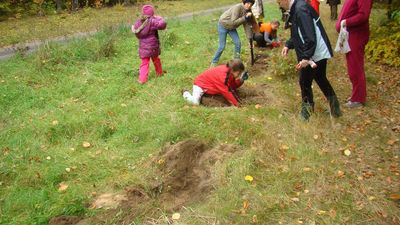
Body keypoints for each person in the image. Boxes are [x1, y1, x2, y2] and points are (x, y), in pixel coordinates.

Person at [280, 0, 342, 120]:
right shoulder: (297, 8)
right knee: (321, 79)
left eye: (279, 2)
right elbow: (298, 34)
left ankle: (307, 111)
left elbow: (309, 36)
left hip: (314, 53)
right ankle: (336, 109)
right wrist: (288, 44)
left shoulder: (301, 10)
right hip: (315, 52)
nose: (279, 4)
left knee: (304, 81)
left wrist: (305, 57)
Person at [336, 0, 373, 108]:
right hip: (350, 34)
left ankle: (358, 99)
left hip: (356, 34)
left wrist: (346, 22)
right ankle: (356, 95)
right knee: (352, 67)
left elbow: (363, 15)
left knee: (355, 67)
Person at [183, 59, 248, 107]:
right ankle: (185, 93)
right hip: (200, 85)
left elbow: (232, 86)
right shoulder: (222, 75)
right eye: (239, 73)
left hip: (210, 88)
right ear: (233, 70)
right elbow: (226, 91)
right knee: (195, 103)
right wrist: (236, 104)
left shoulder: (230, 72)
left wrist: (241, 81)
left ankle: (205, 95)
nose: (239, 75)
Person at [211, 0, 255, 67]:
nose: (249, 5)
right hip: (223, 25)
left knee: (238, 43)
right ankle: (214, 62)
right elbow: (233, 21)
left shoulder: (248, 12)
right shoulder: (238, 7)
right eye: (248, 3)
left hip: (231, 28)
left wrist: (250, 40)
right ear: (244, 2)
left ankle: (236, 61)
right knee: (221, 46)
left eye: (251, 4)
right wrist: (245, 17)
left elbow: (247, 27)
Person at [132, 5, 167, 84]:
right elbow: (162, 25)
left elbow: (137, 34)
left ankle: (142, 79)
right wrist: (159, 18)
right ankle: (159, 73)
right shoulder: (152, 21)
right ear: (152, 13)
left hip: (143, 46)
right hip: (153, 46)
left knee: (144, 63)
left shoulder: (138, 22)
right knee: (156, 59)